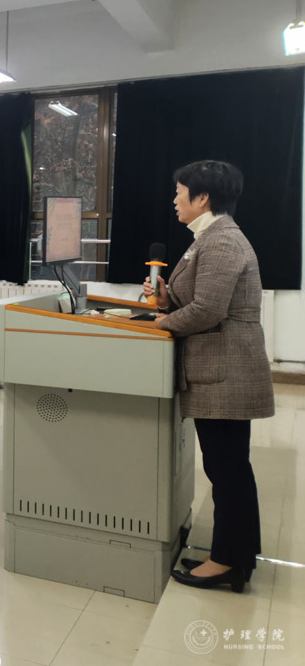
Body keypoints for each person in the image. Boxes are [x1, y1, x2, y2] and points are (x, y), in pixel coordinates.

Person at [145, 161, 274, 593]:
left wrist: (159, 323)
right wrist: (167, 300)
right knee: (228, 467)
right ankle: (235, 554)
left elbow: (208, 311)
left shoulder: (221, 241)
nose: (175, 200)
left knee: (227, 469)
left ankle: (228, 562)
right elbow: (198, 300)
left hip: (225, 373)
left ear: (202, 198)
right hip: (220, 370)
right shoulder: (209, 238)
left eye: (180, 192)